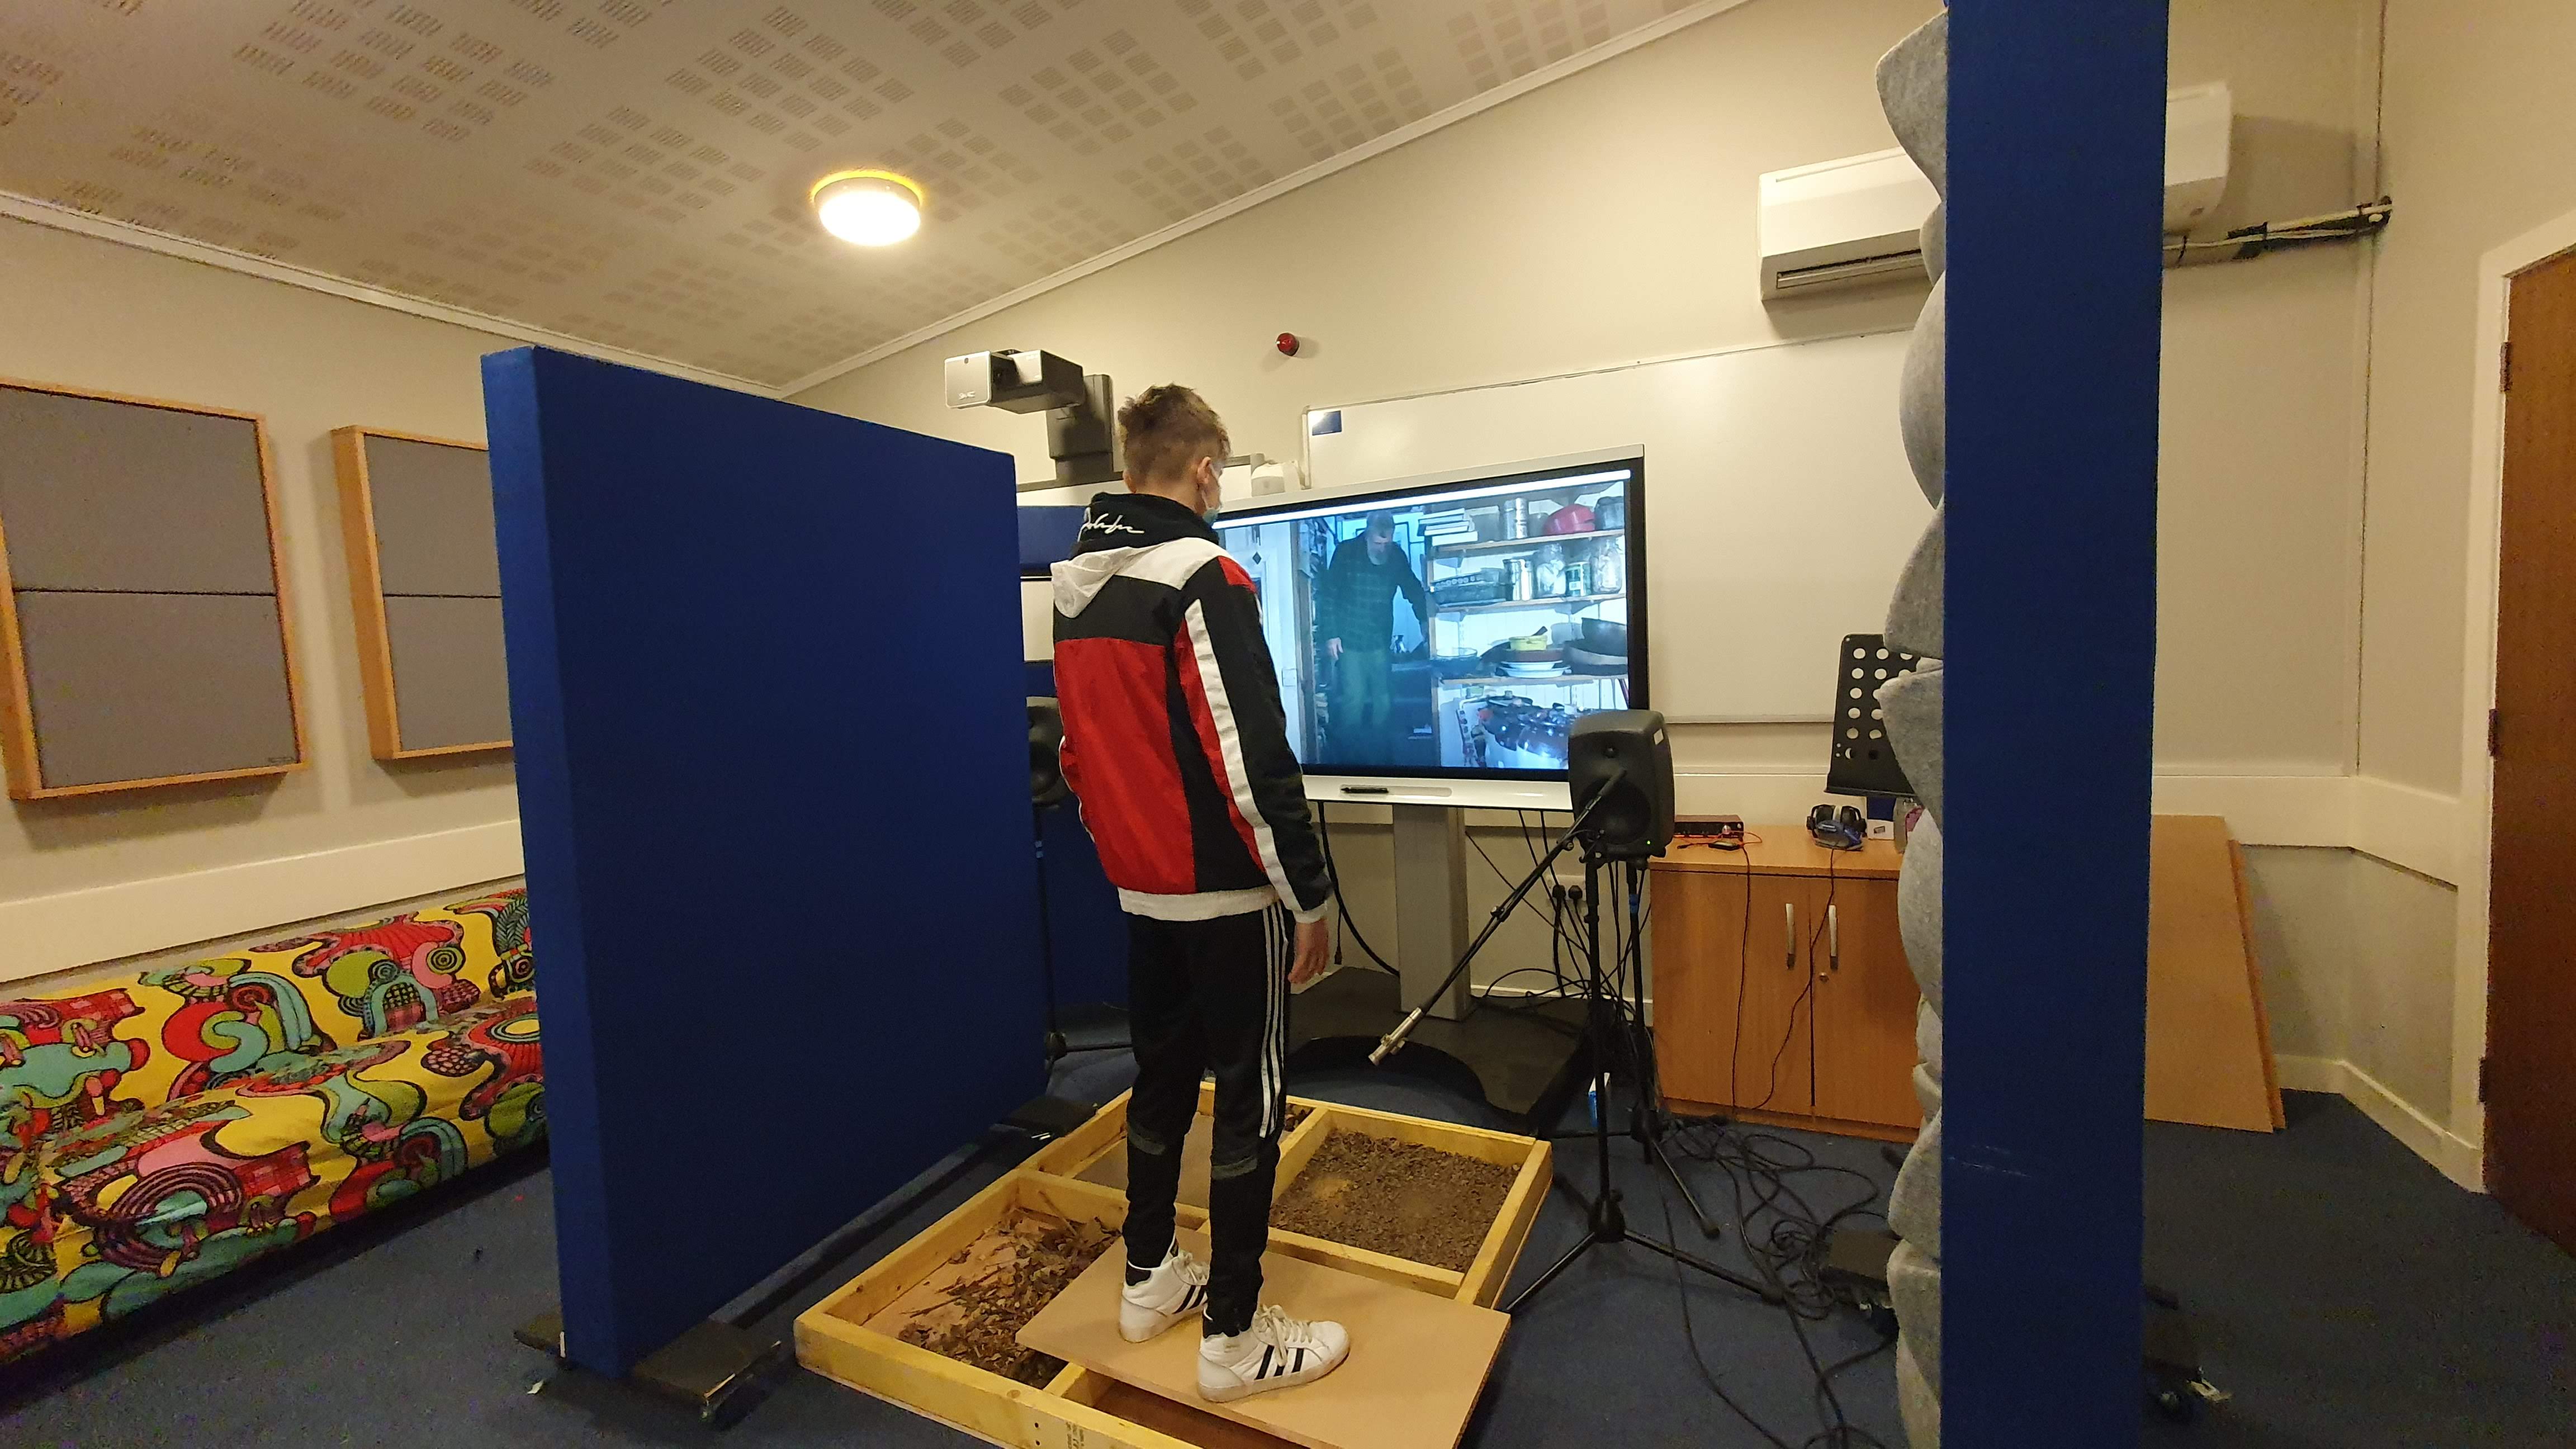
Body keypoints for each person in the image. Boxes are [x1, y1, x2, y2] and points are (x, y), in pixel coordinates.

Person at [1049, 383, 1352, 1403]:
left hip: (1142, 893)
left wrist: (1128, 859)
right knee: (1251, 1105)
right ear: (1205, 470)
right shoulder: (1204, 576)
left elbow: (1080, 756)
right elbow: (1248, 757)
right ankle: (1232, 1337)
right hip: (1225, 899)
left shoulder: (1075, 587)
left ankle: (1148, 1281)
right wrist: (1308, 894)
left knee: (1162, 1081)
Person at [1315, 510, 1433, 761]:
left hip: (1380, 638)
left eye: (1387, 542)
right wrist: (1331, 634)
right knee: (1353, 699)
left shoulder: (1396, 556)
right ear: (1368, 533)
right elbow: (1328, 594)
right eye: (1379, 543)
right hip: (1349, 639)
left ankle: (1381, 759)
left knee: (1384, 699)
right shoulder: (1346, 552)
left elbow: (1412, 589)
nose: (1383, 548)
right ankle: (1350, 760)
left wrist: (1425, 620)